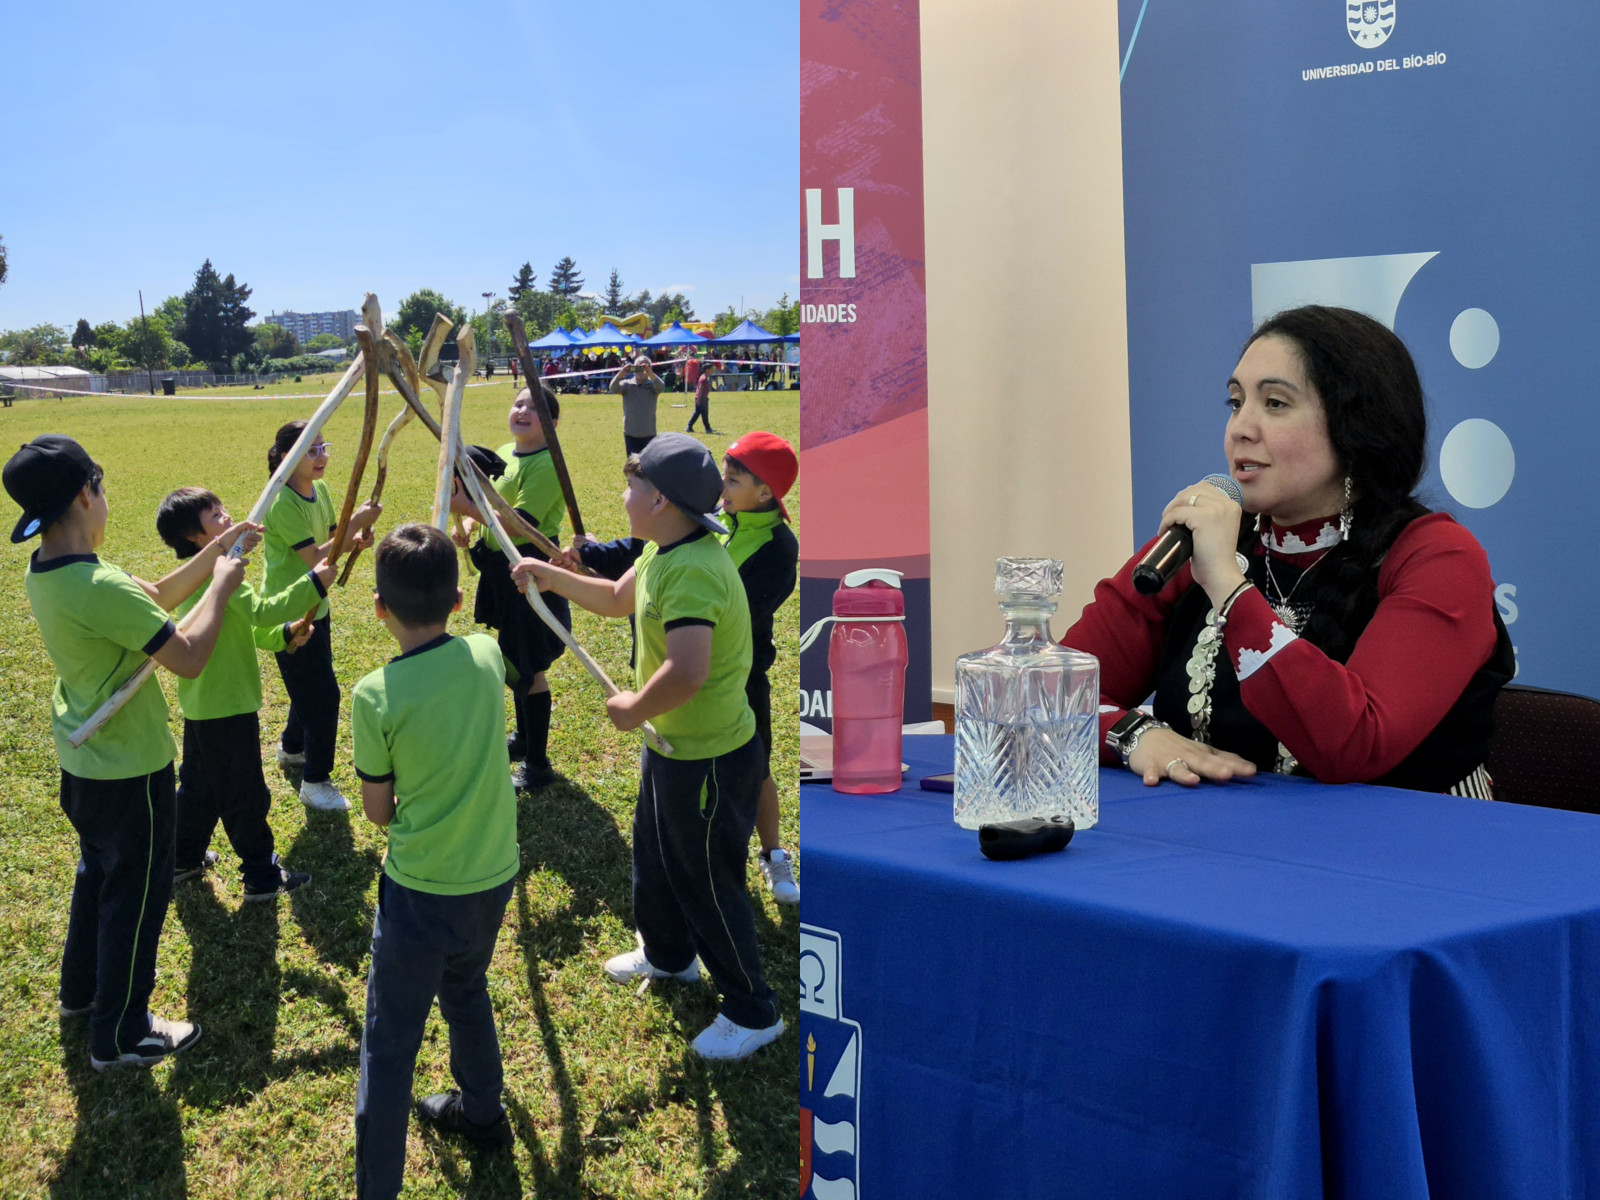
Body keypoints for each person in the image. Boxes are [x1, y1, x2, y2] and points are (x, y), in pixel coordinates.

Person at [1062, 305, 1514, 794]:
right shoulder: (1203, 540)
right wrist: (1132, 734)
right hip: (1222, 848)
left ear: (1355, 427)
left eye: (1274, 403)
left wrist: (1229, 590)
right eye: (1236, 403)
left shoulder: (1436, 556)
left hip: (1412, 848)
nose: (1240, 429)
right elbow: (1045, 693)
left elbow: (1354, 747)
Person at [512, 434, 784, 1060]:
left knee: (708, 879)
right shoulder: (666, 550)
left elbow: (688, 672)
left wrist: (633, 708)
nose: (623, 496)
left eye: (631, 488)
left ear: (659, 499)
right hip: (674, 747)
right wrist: (547, 575)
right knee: (658, 855)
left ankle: (753, 1009)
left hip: (710, 756)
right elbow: (614, 598)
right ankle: (668, 956)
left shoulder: (693, 571)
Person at [6, 435, 252, 1071]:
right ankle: (121, 1034)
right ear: (87, 493)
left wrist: (217, 552)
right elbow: (189, 658)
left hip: (85, 768)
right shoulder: (99, 585)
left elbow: (155, 600)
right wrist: (222, 587)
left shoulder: (56, 571)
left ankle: (82, 992)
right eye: (103, 487)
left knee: (98, 875)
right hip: (130, 771)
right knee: (136, 898)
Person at [351, 525, 519, 1197]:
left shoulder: (374, 694)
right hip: (493, 875)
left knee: (389, 1047)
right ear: (458, 599)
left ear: (377, 608)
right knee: (467, 988)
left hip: (421, 891)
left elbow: (378, 811)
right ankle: (483, 1115)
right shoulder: (485, 653)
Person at [155, 486, 328, 900]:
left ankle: (182, 857)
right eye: (215, 516)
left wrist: (286, 634)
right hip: (227, 704)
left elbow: (252, 626)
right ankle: (261, 876)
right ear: (195, 538)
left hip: (203, 703)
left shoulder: (206, 577)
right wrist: (314, 584)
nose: (227, 517)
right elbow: (264, 611)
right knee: (245, 792)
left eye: (222, 508)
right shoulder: (223, 575)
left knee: (199, 786)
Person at [451, 386, 572, 792]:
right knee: (515, 663)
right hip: (501, 575)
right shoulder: (506, 452)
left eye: (535, 408)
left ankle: (538, 766)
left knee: (530, 667)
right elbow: (488, 503)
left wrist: (466, 509)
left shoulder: (548, 464)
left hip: (530, 578)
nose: (522, 410)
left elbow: (518, 524)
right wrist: (467, 524)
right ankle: (523, 740)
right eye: (519, 403)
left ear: (553, 425)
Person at [261, 421, 383, 812]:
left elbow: (335, 539)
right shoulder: (281, 501)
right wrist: (357, 525)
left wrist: (357, 538)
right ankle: (315, 782)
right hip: (289, 610)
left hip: (317, 603)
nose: (321, 456)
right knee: (323, 694)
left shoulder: (323, 490)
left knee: (309, 683)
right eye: (310, 450)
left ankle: (292, 748)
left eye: (323, 447)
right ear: (286, 458)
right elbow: (316, 558)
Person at [719, 432, 800, 904]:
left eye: (732, 480)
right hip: (696, 669)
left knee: (757, 768)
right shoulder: (716, 521)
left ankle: (773, 854)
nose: (722, 487)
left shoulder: (779, 546)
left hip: (743, 675)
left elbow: (740, 611)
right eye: (723, 477)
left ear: (765, 493)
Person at [608, 354, 665, 456]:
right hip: (631, 434)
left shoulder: (652, 386)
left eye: (644, 367)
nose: (641, 371)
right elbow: (613, 387)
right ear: (633, 369)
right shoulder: (627, 385)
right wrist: (620, 374)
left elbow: (661, 387)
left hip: (649, 434)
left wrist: (651, 374)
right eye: (638, 367)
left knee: (648, 465)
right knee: (633, 466)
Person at [686, 359, 716, 434]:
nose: (712, 371)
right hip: (701, 398)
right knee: (704, 414)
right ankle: (707, 428)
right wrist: (699, 399)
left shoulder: (703, 377)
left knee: (697, 413)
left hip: (701, 398)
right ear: (707, 370)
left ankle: (689, 427)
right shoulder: (704, 379)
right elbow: (700, 389)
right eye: (711, 369)